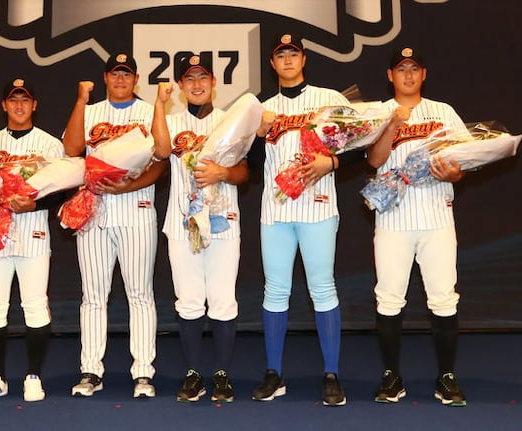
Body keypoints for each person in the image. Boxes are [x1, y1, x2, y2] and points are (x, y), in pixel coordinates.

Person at [250, 33, 348, 406]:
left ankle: (332, 374)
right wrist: (258, 134)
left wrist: (331, 162)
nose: (288, 59)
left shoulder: (329, 99)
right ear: (272, 64)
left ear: (304, 59)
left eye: (293, 53)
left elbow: (360, 146)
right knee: (275, 290)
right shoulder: (262, 109)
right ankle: (273, 373)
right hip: (276, 212)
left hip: (317, 207)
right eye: (281, 55)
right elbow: (250, 165)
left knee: (322, 287)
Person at [367, 47, 468, 407]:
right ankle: (391, 377)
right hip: (393, 219)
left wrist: (455, 173)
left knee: (443, 297)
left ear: (423, 74)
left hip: (437, 216)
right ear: (390, 76)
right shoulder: (379, 112)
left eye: (413, 69)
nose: (407, 75)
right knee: (389, 297)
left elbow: (464, 161)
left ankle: (447, 378)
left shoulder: (443, 112)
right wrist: (392, 124)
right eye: (401, 69)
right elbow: (374, 160)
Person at [63, 52, 168, 398]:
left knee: (140, 294)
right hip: (95, 212)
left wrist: (131, 185)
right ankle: (91, 370)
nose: (120, 79)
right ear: (105, 78)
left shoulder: (148, 111)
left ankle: (143, 372)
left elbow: (161, 162)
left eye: (126, 74)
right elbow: (72, 148)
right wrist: (81, 100)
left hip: (137, 211)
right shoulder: (91, 112)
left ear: (136, 79)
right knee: (93, 296)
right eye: (114, 74)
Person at [153, 54, 249, 402]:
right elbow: (160, 152)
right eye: (190, 79)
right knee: (189, 301)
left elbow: (244, 172)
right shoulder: (171, 122)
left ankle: (221, 374)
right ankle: (193, 373)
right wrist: (159, 106)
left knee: (223, 300)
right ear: (180, 85)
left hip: (223, 222)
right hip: (184, 224)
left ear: (213, 82)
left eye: (203, 78)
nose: (197, 84)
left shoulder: (230, 121)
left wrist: (223, 173)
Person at [0, 78, 65, 402]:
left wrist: (34, 205)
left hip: (33, 234)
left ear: (34, 105)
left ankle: (33, 376)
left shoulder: (49, 144)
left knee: (35, 307)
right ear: (4, 105)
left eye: (24, 100)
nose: (19, 105)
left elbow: (62, 192)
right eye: (13, 100)